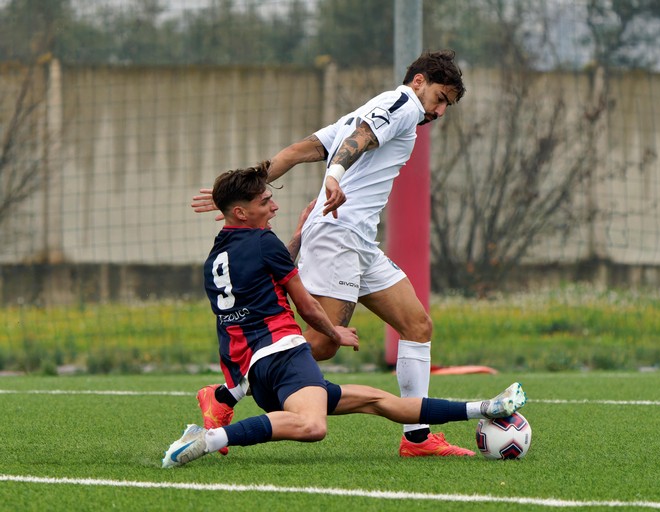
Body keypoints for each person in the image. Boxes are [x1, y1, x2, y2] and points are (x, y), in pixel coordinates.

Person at [192, 50, 488, 457]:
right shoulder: (402, 104)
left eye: (446, 106)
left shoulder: (373, 109)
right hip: (338, 235)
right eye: (440, 98)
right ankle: (226, 394)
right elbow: (359, 139)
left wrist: (239, 190)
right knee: (324, 342)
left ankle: (417, 438)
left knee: (418, 326)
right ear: (419, 81)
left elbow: (300, 150)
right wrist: (334, 177)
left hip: (360, 241)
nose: (438, 111)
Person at [163, 166, 527, 468]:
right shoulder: (263, 243)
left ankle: (487, 407)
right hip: (286, 355)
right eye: (264, 201)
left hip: (258, 372)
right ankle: (209, 438)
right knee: (312, 426)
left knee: (379, 402)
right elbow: (306, 305)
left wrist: (297, 235)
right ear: (241, 212)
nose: (274, 205)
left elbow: (264, 275)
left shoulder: (216, 258)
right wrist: (334, 333)